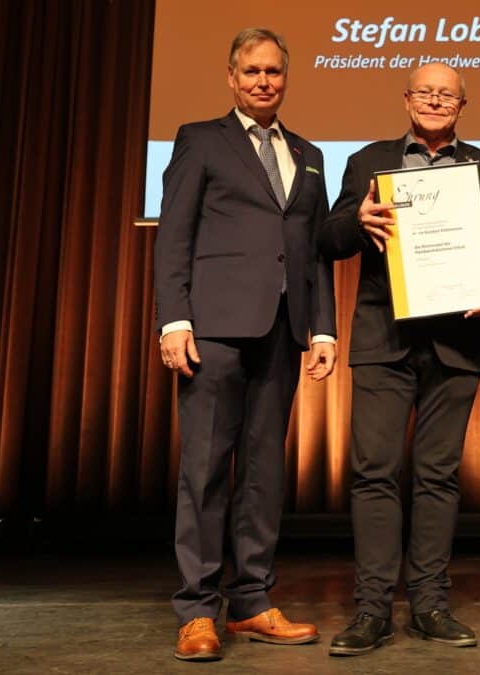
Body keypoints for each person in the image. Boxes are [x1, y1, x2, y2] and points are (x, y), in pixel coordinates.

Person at [319, 63, 480, 656]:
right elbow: (328, 239)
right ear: (407, 99)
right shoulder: (368, 162)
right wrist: (356, 222)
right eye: (425, 92)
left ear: (463, 105)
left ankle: (431, 604)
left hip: (457, 341)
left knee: (438, 476)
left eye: (447, 95)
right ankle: (372, 609)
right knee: (374, 473)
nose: (435, 101)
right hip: (384, 338)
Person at [154, 28, 337, 661]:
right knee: (205, 471)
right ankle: (197, 611)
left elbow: (314, 250)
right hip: (213, 329)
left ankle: (252, 601)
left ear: (286, 78)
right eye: (252, 71)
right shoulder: (200, 139)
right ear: (232, 77)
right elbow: (173, 236)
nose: (264, 81)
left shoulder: (309, 153)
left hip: (283, 331)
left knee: (264, 474)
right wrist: (173, 320)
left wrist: (322, 327)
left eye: (274, 72)